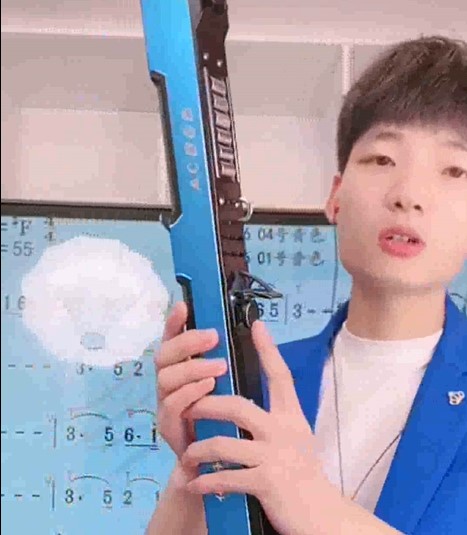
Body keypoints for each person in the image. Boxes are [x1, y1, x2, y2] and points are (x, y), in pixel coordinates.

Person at [146, 34, 467, 534]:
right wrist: (195, 465)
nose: (409, 195)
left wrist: (307, 501)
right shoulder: (251, 385)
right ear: (336, 197)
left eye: (453, 169)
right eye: (382, 159)